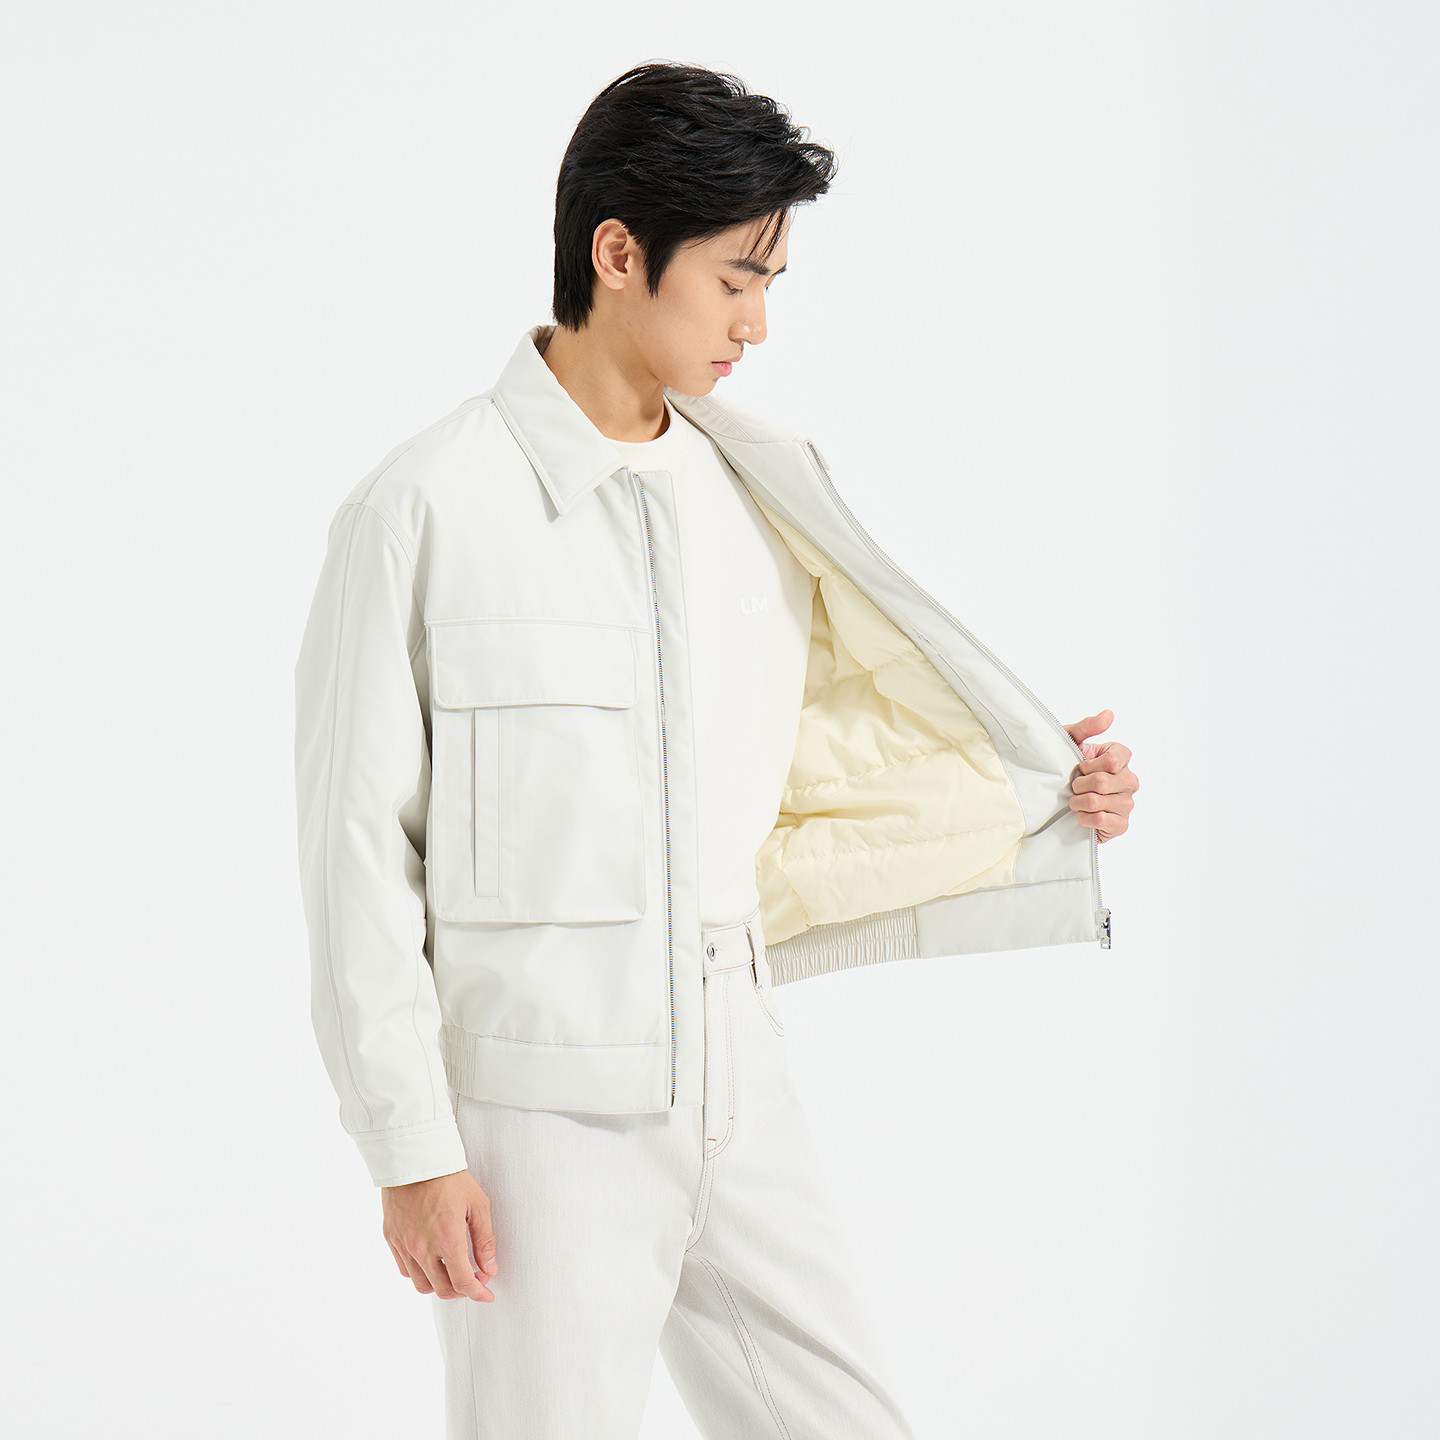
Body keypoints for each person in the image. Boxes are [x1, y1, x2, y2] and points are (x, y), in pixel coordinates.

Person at [292, 60, 1139, 1440]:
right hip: (540, 1107)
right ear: (618, 253)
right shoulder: (423, 510)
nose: (757, 322)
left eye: (771, 283)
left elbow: (811, 771)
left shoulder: (755, 489)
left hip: (739, 1061)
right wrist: (409, 1149)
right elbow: (354, 860)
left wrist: (1043, 795)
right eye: (737, 278)